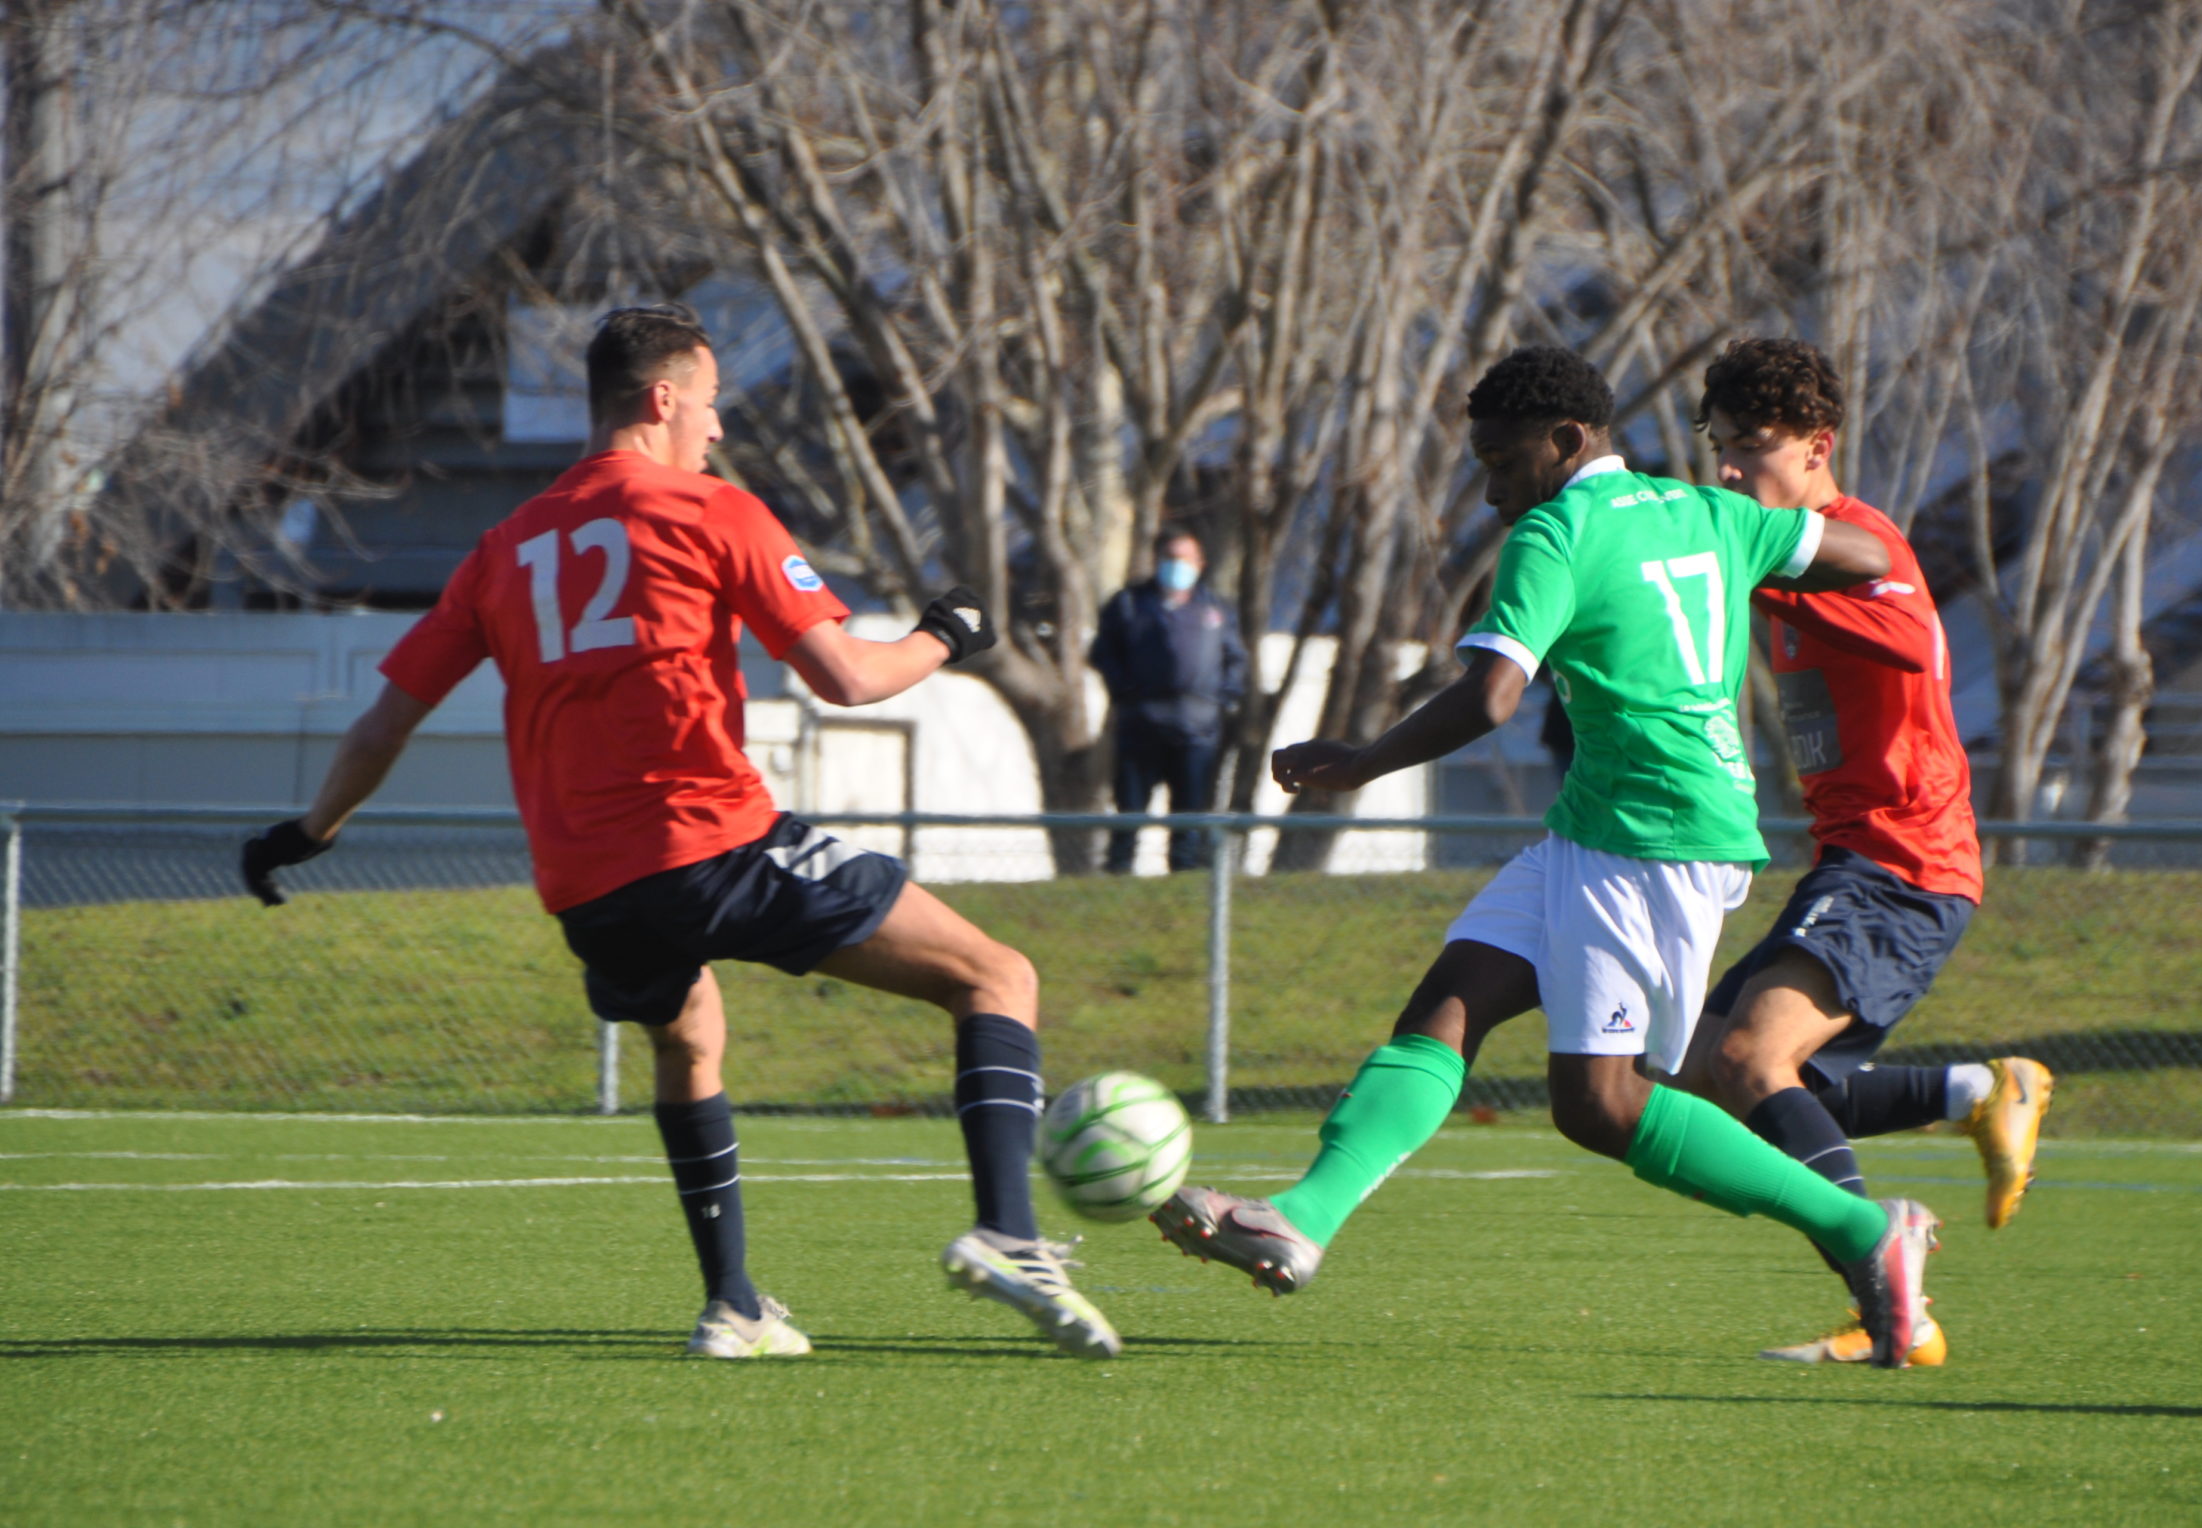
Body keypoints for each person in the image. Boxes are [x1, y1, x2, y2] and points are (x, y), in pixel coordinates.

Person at [240, 303, 1121, 1360]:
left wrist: (310, 830)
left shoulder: (503, 548)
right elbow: (848, 677)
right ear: (663, 399)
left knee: (689, 1034)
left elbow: (385, 721)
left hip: (587, 888)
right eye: (709, 402)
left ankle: (734, 1306)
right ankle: (1010, 1235)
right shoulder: (712, 510)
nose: (717, 425)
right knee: (996, 976)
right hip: (711, 842)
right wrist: (946, 634)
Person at [1151, 344, 1946, 1367]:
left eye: (1500, 461)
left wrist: (1361, 761)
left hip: (1650, 838)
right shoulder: (1703, 511)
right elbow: (1867, 555)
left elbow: (1491, 697)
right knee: (1451, 1001)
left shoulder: (1554, 532)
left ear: (1567, 440)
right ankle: (1303, 1217)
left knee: (1600, 1105)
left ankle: (1864, 1230)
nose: (1490, 490)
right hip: (1600, 825)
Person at [1673, 337, 2051, 1368]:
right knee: (1705, 1070)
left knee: (1752, 1059)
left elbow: (1914, 640)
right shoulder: (1777, 553)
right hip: (1855, 856)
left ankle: (1893, 1303)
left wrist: (1772, 583)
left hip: (1905, 855)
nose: (1730, 469)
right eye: (1720, 446)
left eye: (1752, 446)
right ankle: (1975, 1094)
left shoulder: (1857, 542)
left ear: (1816, 446)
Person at [1090, 529, 1249, 874]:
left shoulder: (1215, 609)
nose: (1178, 565)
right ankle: (1118, 874)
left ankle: (1184, 877)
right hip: (1141, 724)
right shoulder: (1129, 604)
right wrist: (1126, 691)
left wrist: (1223, 698)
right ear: (1157, 560)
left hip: (1197, 729)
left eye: (1185, 558)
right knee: (1130, 810)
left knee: (1189, 813)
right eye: (1171, 558)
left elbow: (1235, 660)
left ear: (1200, 563)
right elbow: (1103, 653)